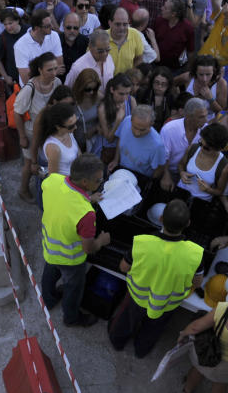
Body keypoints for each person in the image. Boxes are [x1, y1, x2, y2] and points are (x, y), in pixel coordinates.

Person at [110, 199, 203, 357]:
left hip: (137, 298)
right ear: (188, 223)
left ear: (161, 219)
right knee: (154, 328)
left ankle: (117, 342)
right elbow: (197, 282)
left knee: (127, 320)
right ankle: (141, 350)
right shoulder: (195, 254)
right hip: (167, 304)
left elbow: (123, 267)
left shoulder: (141, 243)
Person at [41, 154, 110, 327]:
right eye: (98, 180)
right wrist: (101, 240)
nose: (100, 183)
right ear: (85, 183)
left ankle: (48, 300)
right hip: (70, 259)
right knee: (73, 288)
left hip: (49, 247)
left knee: (50, 272)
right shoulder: (86, 213)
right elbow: (88, 248)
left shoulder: (53, 180)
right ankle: (71, 318)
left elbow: (64, 200)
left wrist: (88, 197)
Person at [15, 52, 62, 202]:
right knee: (30, 163)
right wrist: (22, 136)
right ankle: (23, 190)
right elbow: (17, 113)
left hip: (50, 131)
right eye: (49, 70)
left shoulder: (57, 83)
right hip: (31, 132)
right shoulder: (30, 88)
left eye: (55, 68)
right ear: (40, 70)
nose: (53, 73)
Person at [177, 123, 228, 205]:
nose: (201, 148)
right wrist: (182, 173)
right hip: (181, 192)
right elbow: (181, 165)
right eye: (200, 143)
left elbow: (220, 191)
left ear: (219, 149)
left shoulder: (224, 166)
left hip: (200, 202)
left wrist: (208, 190)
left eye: (206, 148)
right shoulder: (193, 148)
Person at [159, 98, 208, 186]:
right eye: (201, 117)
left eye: (206, 116)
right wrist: (166, 175)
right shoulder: (169, 129)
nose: (205, 121)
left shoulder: (206, 130)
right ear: (189, 116)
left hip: (192, 174)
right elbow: (163, 156)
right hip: (170, 171)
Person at [110, 104, 166, 181]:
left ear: (151, 125)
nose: (137, 133)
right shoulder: (126, 121)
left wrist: (148, 182)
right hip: (121, 170)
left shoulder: (157, 145)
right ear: (131, 120)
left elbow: (160, 168)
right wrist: (116, 160)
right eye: (134, 127)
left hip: (139, 178)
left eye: (142, 130)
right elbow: (120, 138)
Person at [14, 9, 63, 83]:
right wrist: (51, 72)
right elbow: (26, 79)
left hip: (51, 84)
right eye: (47, 26)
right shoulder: (20, 46)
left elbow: (60, 66)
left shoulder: (54, 36)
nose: (52, 27)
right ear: (37, 28)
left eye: (51, 23)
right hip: (31, 89)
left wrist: (45, 73)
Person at [35, 102, 81, 176]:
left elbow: (79, 154)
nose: (76, 127)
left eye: (76, 123)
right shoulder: (53, 147)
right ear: (58, 127)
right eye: (71, 126)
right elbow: (53, 177)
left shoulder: (68, 133)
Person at [98, 73, 134, 166]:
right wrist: (118, 120)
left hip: (127, 147)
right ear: (112, 90)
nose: (124, 98)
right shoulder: (103, 108)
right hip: (110, 150)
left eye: (127, 93)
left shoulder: (131, 100)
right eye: (121, 94)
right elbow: (109, 139)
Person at [152, 0, 195, 73]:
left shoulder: (187, 28)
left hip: (175, 69)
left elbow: (190, 51)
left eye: (165, 8)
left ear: (173, 14)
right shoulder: (159, 21)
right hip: (156, 66)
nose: (161, 8)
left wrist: (189, 70)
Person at [71, 68, 102, 154]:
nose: (91, 92)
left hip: (93, 141)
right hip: (76, 143)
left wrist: (95, 129)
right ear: (81, 86)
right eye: (88, 89)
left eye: (95, 88)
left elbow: (106, 119)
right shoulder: (72, 100)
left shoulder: (99, 97)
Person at [107, 8, 144, 74]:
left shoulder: (135, 35)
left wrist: (131, 75)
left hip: (126, 82)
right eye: (118, 24)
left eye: (125, 24)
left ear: (129, 22)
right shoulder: (100, 37)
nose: (121, 28)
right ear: (110, 23)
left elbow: (139, 58)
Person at [57, 12, 90, 77]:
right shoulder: (56, 41)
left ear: (80, 28)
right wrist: (54, 70)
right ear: (63, 27)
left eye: (75, 28)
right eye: (69, 27)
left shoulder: (86, 42)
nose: (72, 31)